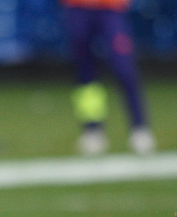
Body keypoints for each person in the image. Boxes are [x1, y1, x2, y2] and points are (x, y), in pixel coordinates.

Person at [61, 0, 155, 155]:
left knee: (124, 69)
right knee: (85, 74)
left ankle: (140, 127)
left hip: (111, 8)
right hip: (78, 7)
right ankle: (92, 130)